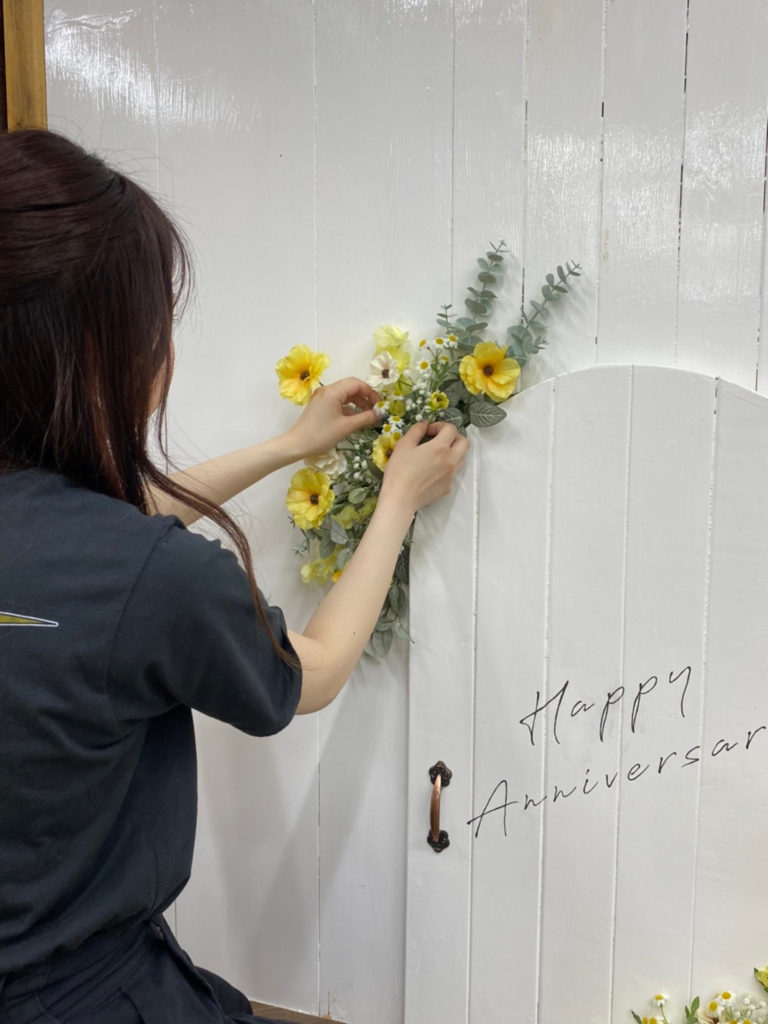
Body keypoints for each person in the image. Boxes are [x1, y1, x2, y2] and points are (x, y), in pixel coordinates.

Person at [0, 130, 469, 1023]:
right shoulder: (152, 577)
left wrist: (290, 446)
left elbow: (94, 539)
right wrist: (399, 502)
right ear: (102, 354)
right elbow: (313, 671)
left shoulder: (79, 547)